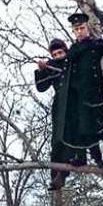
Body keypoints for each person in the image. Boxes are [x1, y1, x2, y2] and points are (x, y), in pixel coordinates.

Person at [55, 12, 103, 170]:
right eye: (76, 29)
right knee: (83, 128)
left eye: (82, 28)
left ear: (87, 28)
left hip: (96, 94)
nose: (79, 32)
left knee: (102, 126)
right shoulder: (72, 51)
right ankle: (88, 158)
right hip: (79, 97)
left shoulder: (95, 44)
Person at [35, 38, 72, 191]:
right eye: (55, 54)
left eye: (60, 53)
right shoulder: (52, 66)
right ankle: (55, 176)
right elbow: (42, 87)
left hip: (76, 103)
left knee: (72, 137)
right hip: (60, 105)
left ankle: (65, 171)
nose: (58, 56)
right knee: (57, 140)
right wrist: (42, 70)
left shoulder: (73, 62)